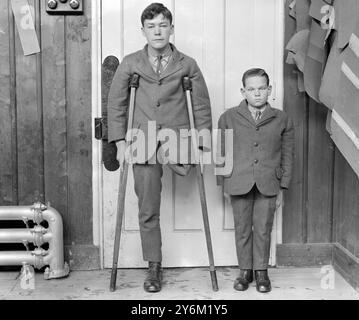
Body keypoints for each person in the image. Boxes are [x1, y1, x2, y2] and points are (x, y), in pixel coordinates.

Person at [107, 3, 212, 293]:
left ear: (171, 29)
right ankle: (154, 266)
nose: (157, 31)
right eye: (151, 26)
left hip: (178, 138)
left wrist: (202, 145)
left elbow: (201, 106)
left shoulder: (187, 64)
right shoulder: (130, 63)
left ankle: (184, 161)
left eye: (162, 25)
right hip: (142, 141)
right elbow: (116, 105)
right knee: (148, 207)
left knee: (185, 172)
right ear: (143, 31)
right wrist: (119, 143)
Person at [217, 68, 294, 293]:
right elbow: (222, 152)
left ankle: (261, 272)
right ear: (243, 91)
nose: (257, 93)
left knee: (263, 228)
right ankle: (245, 272)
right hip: (238, 180)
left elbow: (288, 154)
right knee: (242, 228)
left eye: (262, 88)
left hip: (269, 182)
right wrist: (223, 183)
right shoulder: (228, 118)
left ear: (269, 90)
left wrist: (283, 186)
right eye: (251, 89)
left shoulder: (282, 119)